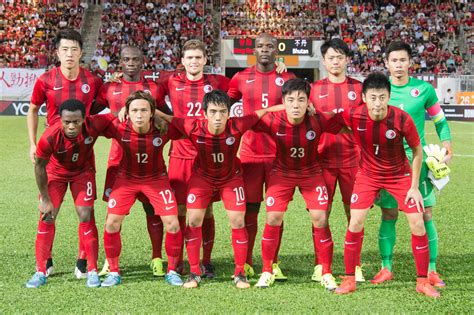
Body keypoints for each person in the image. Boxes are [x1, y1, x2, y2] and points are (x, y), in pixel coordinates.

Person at [156, 90, 282, 289]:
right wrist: (145, 110)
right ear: (204, 113)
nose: (218, 117)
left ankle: (240, 273)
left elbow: (264, 111)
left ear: (229, 113)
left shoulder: (237, 125)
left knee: (238, 221)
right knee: (194, 220)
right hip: (202, 179)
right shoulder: (193, 126)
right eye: (213, 112)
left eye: (223, 112)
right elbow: (168, 117)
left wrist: (294, 106)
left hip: (230, 179)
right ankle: (195, 272)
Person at [335, 72, 440, 298]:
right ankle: (349, 279)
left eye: (382, 97)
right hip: (368, 176)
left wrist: (413, 187)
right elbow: (333, 122)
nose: (377, 103)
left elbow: (418, 150)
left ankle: (422, 281)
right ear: (364, 97)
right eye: (373, 97)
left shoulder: (401, 118)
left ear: (389, 97)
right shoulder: (354, 115)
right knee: (355, 221)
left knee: (417, 223)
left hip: (399, 176)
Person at [372, 41, 453, 288]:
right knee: (389, 213)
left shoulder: (424, 89)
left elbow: (440, 121)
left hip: (418, 160)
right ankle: (386, 267)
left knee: (425, 213)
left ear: (410, 62)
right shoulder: (380, 91)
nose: (398, 65)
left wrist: (447, 143)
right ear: (386, 63)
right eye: (394, 60)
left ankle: (431, 269)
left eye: (403, 60)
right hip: (388, 162)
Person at [27, 29, 104, 279]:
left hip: (83, 155)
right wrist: (31, 143)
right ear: (57, 52)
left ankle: (84, 260)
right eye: (64, 49)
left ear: (81, 52)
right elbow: (33, 109)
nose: (69, 54)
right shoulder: (46, 80)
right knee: (47, 211)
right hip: (54, 154)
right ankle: (44, 262)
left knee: (86, 212)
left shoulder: (92, 81)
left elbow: (106, 105)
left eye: (74, 49)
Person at [252, 78, 342, 289]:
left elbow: (344, 124)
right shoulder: (274, 120)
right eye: (290, 100)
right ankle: (267, 270)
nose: (296, 105)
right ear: (283, 101)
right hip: (282, 173)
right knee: (273, 217)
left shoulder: (318, 119)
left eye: (301, 100)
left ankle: (326, 272)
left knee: (320, 218)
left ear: (308, 102)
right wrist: (275, 107)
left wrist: (317, 109)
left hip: (311, 173)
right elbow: (254, 116)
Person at [95, 46, 169, 278]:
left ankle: (157, 258)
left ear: (142, 61)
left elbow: (166, 115)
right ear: (120, 62)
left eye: (136, 59)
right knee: (113, 214)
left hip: (150, 161)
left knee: (152, 211)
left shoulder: (154, 88)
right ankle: (110, 261)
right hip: (119, 161)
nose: (131, 63)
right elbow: (89, 110)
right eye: (126, 59)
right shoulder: (110, 87)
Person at [227, 33, 296, 279]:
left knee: (276, 212)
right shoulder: (240, 78)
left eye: (269, 45)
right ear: (253, 50)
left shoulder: (288, 77)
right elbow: (226, 107)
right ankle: (245, 262)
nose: (264, 49)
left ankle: (273, 263)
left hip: (279, 155)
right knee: (250, 209)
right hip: (249, 154)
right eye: (260, 46)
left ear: (276, 50)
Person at [26, 99, 114, 288]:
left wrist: (125, 111)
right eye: (67, 122)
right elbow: (40, 167)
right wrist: (45, 199)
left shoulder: (94, 124)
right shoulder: (49, 136)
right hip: (55, 174)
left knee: (86, 214)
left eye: (76, 121)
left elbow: (117, 114)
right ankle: (40, 271)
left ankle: (91, 270)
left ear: (84, 119)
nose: (72, 126)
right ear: (60, 119)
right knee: (47, 216)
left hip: (83, 172)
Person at [160, 39, 230, 277]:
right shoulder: (170, 81)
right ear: (182, 61)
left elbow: (243, 89)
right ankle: (179, 260)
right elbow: (146, 93)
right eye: (189, 58)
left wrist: (280, 68)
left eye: (198, 58)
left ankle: (206, 261)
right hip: (180, 154)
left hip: (207, 155)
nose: (194, 62)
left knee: (206, 210)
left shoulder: (217, 82)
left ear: (205, 60)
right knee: (179, 211)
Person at [101, 91, 183, 287]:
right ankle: (113, 272)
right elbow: (92, 124)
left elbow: (187, 125)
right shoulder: (118, 126)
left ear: (152, 112)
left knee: (173, 223)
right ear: (127, 113)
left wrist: (162, 116)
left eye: (144, 110)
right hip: (126, 179)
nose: (139, 115)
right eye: (134, 110)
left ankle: (172, 270)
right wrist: (116, 112)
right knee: (111, 223)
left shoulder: (162, 129)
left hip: (156, 179)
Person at [309, 38, 364, 283]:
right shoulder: (313, 89)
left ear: (347, 60)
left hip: (353, 160)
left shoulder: (360, 89)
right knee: (321, 213)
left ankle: (356, 265)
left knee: (354, 213)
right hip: (322, 160)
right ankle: (321, 264)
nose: (335, 61)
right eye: (331, 57)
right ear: (324, 60)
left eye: (340, 57)